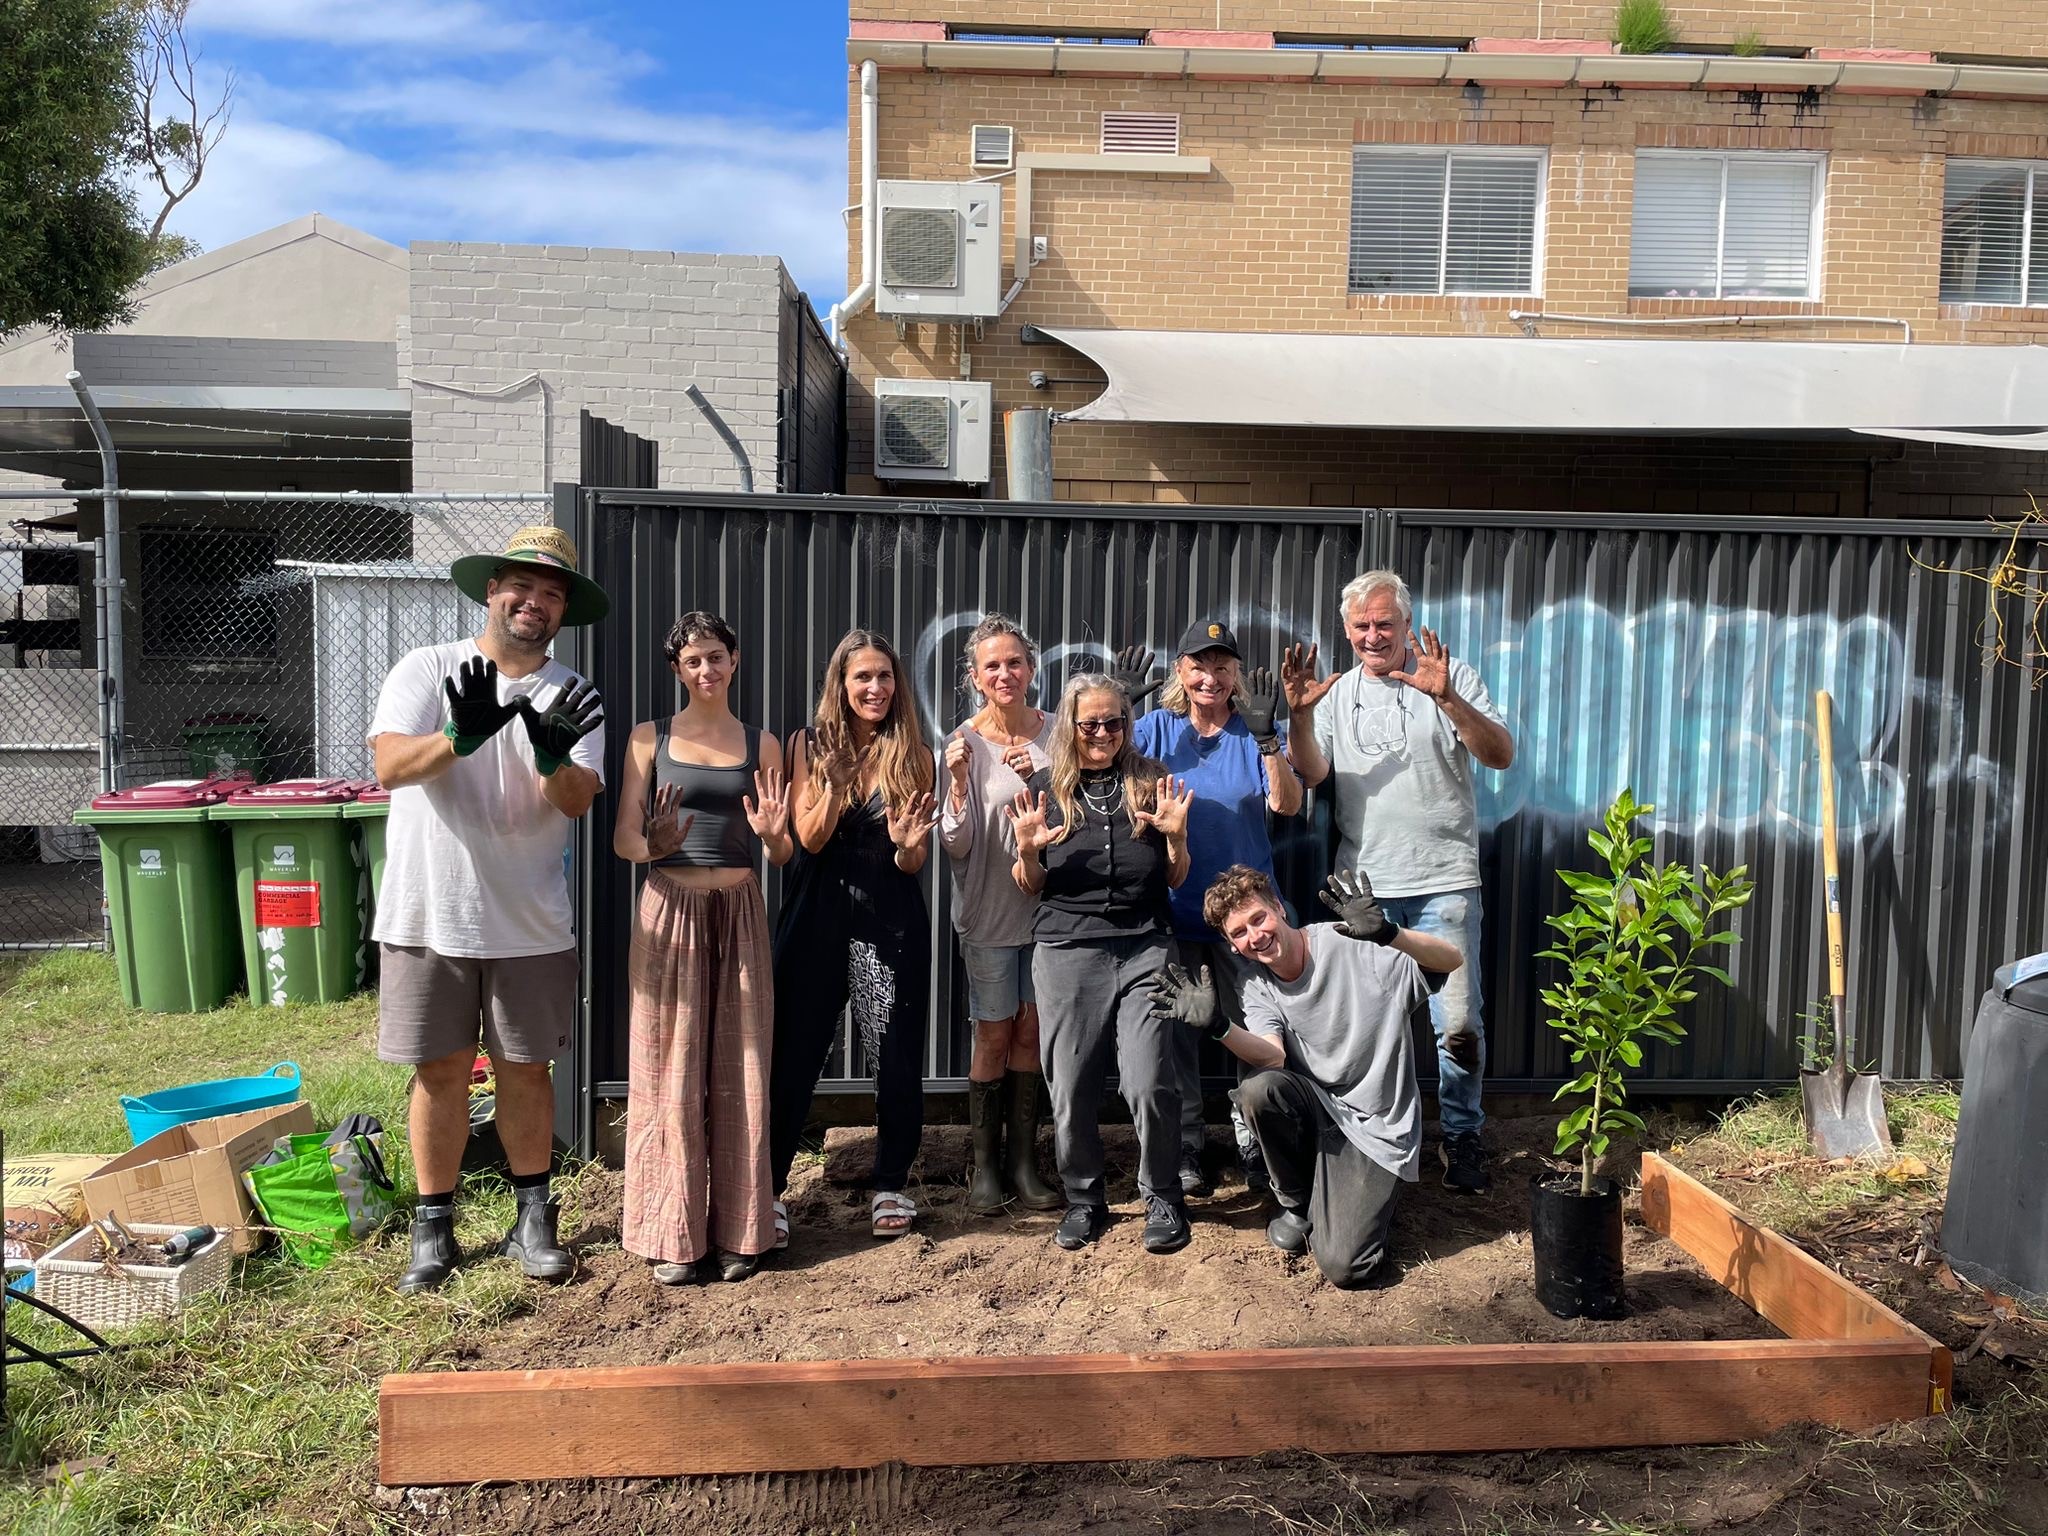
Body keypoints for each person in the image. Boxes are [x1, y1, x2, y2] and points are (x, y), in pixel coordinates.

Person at [368, 525, 608, 1294]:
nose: (533, 603)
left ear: (562, 611)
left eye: (551, 594)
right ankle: (433, 1229)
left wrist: (550, 757)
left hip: (528, 920)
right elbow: (388, 767)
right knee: (438, 1071)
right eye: (522, 587)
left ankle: (534, 1220)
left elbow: (576, 802)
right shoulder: (427, 669)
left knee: (525, 1071)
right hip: (425, 912)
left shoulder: (569, 696)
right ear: (490, 591)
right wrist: (458, 736)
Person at [1281, 569, 1514, 1194]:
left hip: (1444, 883)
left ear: (1407, 624)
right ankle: (1365, 1134)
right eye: (1361, 625)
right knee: (1361, 1023)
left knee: (1459, 1025)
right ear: (1347, 629)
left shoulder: (1451, 677)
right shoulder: (1333, 694)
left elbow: (1500, 754)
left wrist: (1448, 700)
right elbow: (1312, 774)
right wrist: (1299, 717)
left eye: (1385, 623)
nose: (1373, 635)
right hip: (1364, 891)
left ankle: (1463, 1138)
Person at [1149, 864, 1465, 1287]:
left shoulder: (1352, 941)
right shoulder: (1254, 981)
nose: (1255, 936)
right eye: (1239, 933)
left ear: (1279, 908)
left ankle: (1349, 1199)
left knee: (1346, 1268)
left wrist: (1391, 933)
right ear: (1233, 946)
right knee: (1258, 1091)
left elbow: (1451, 959)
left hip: (1377, 1122)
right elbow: (1272, 1058)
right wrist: (1219, 1027)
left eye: (1258, 918)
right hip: (1320, 1110)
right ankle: (1298, 1202)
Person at [613, 611, 795, 1286]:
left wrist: (776, 835)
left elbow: (783, 846)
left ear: (735, 659)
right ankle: (672, 1231)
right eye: (693, 661)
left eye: (715, 657)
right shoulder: (648, 739)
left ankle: (742, 1231)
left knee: (742, 1064)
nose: (706, 670)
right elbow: (624, 838)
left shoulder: (762, 743)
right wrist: (651, 846)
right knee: (670, 1066)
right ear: (677, 671)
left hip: (741, 908)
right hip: (670, 909)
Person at [1008, 673, 1195, 1255]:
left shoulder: (1152, 781)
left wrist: (1177, 840)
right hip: (1068, 949)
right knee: (1070, 1082)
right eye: (1089, 723)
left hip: (1146, 944)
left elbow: (1175, 877)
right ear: (1070, 724)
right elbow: (1028, 884)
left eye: (1114, 721)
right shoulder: (1045, 788)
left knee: (1149, 1079)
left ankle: (1162, 1194)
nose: (1102, 733)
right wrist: (1028, 850)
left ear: (1127, 723)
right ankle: (1084, 1198)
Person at [769, 629, 939, 1241]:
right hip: (818, 911)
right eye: (862, 677)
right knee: (794, 1053)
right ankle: (770, 1190)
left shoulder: (915, 753)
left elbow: (913, 864)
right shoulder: (807, 744)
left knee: (893, 1052)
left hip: (888, 913)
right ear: (840, 684)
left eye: (885, 677)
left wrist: (908, 847)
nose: (876, 687)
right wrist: (837, 784)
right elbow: (808, 840)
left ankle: (891, 1182)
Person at [1128, 620, 1302, 1199]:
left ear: (1235, 675)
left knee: (1255, 1026)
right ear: (1180, 671)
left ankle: (1256, 1142)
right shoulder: (1153, 729)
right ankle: (1186, 1149)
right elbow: (1114, 789)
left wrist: (1270, 741)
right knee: (1178, 1030)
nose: (1211, 677)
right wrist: (1123, 723)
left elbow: (1287, 803)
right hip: (1172, 907)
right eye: (1199, 665)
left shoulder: (1254, 730)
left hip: (1245, 917)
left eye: (1222, 666)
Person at [938, 614, 1062, 1214]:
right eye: (993, 665)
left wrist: (1039, 776)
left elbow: (1079, 824)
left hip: (1051, 915)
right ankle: (984, 1167)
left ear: (1032, 669)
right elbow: (956, 845)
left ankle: (1024, 1162)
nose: (1005, 673)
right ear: (975, 677)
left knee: (1032, 1033)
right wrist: (959, 784)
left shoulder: (1059, 733)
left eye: (1015, 662)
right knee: (993, 1031)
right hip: (988, 915)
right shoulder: (962, 743)